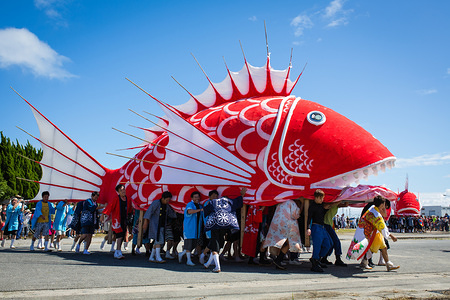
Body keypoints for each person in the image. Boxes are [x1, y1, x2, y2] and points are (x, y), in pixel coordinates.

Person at [347, 196, 399, 271]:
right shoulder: (376, 214)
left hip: (371, 232)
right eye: (384, 204)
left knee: (381, 247)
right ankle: (367, 262)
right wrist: (392, 236)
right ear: (381, 204)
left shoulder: (372, 208)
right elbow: (382, 226)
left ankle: (386, 264)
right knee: (371, 248)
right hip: (371, 234)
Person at [202, 188, 246, 273]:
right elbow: (238, 202)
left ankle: (217, 267)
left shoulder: (213, 202)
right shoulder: (229, 202)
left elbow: (206, 211)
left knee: (215, 246)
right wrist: (242, 194)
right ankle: (207, 264)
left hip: (215, 225)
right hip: (225, 225)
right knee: (218, 244)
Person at [262, 200, 303, 270]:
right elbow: (296, 215)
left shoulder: (280, 202)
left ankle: (266, 258)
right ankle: (278, 260)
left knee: (276, 241)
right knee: (289, 243)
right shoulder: (292, 203)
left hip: (277, 224)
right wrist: (302, 206)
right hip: (287, 226)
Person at [143, 191, 176, 263]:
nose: (168, 201)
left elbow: (172, 214)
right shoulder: (156, 203)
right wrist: (145, 224)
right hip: (155, 225)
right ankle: (158, 257)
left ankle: (151, 257)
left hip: (162, 225)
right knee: (158, 240)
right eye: (167, 200)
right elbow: (148, 213)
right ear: (163, 198)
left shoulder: (166, 206)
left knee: (157, 241)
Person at [307, 189, 333, 273]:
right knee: (317, 246)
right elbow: (309, 218)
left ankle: (317, 259)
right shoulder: (312, 206)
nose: (322, 200)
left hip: (322, 228)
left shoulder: (321, 206)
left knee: (328, 244)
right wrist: (308, 228)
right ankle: (315, 263)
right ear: (317, 197)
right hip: (316, 227)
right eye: (321, 198)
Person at [103, 184, 132, 259]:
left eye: (123, 189)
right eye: (121, 190)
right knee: (119, 236)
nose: (123, 191)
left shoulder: (128, 199)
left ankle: (118, 250)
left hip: (124, 220)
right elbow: (110, 207)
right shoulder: (116, 198)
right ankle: (117, 251)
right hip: (117, 220)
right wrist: (103, 215)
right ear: (118, 192)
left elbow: (129, 209)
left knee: (122, 236)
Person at [178, 191, 204, 266]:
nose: (197, 198)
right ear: (192, 198)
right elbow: (189, 211)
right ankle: (188, 261)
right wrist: (200, 210)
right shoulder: (190, 204)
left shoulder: (200, 205)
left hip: (196, 229)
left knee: (192, 245)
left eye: (198, 197)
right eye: (195, 197)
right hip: (189, 228)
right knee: (188, 245)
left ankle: (181, 254)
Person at [321, 201, 347, 267]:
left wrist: (345, 198)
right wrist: (339, 200)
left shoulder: (336, 204)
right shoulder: (330, 204)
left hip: (329, 224)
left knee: (333, 242)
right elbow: (329, 205)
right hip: (325, 224)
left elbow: (346, 205)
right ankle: (336, 259)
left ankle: (325, 257)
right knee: (334, 242)